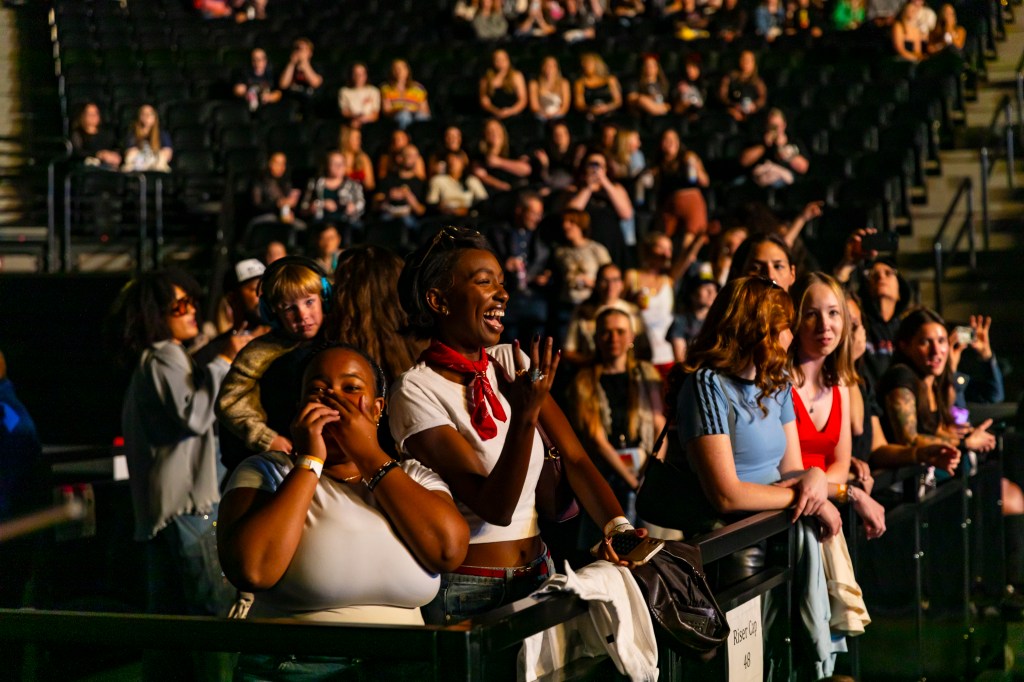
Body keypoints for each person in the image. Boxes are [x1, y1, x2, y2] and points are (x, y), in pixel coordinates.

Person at [390, 226, 639, 625]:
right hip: (471, 591)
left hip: (541, 573)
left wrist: (620, 530)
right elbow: (496, 508)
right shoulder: (415, 390)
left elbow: (575, 458)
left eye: (502, 283)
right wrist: (525, 417)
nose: (502, 295)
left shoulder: (511, 361)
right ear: (439, 301)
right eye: (484, 282)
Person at [218, 344, 469, 678]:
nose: (333, 399)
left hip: (403, 666)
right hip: (295, 666)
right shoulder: (267, 471)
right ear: (300, 407)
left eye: (351, 388)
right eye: (318, 390)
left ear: (378, 409)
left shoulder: (414, 476)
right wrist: (310, 461)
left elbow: (448, 551)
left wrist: (368, 454)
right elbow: (252, 571)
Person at [108, 270, 251, 620]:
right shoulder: (165, 356)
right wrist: (224, 363)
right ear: (156, 313)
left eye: (192, 303)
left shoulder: (151, 360)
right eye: (181, 305)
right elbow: (195, 416)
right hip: (189, 510)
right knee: (214, 615)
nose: (192, 311)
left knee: (168, 622)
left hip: (164, 514)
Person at [788, 273, 887, 540]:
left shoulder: (840, 383)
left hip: (823, 511)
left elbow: (841, 465)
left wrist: (829, 490)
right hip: (786, 516)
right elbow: (786, 474)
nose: (825, 325)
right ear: (795, 320)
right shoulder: (778, 381)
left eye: (833, 313)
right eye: (811, 314)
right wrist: (850, 493)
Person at [216, 258, 332, 459]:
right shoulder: (259, 352)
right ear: (272, 312)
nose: (302, 315)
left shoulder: (340, 338)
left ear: (325, 298)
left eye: (309, 302)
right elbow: (229, 401)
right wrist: (266, 438)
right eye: (289, 308)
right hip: (284, 457)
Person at [844, 292, 961, 474]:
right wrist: (964, 443)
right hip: (897, 480)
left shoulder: (932, 380)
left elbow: (938, 429)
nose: (936, 350)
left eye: (941, 341)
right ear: (905, 345)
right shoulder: (901, 377)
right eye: (925, 342)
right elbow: (908, 440)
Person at [570, 308, 666, 526]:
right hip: (607, 470)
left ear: (631, 336)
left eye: (620, 331)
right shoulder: (584, 381)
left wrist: (651, 474)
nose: (614, 338)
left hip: (645, 464)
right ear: (597, 338)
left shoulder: (646, 373)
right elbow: (596, 438)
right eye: (607, 332)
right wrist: (633, 481)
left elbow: (659, 425)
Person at [487, 191, 552, 344]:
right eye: (533, 213)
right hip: (509, 296)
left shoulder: (542, 236)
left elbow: (548, 263)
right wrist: (504, 266)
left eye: (540, 214)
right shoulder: (499, 233)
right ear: (519, 210)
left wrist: (546, 276)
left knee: (536, 344)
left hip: (535, 297)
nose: (538, 219)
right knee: (509, 344)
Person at [563, 262, 646, 365]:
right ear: (596, 284)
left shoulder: (633, 311)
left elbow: (643, 348)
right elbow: (568, 351)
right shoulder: (583, 311)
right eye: (605, 280)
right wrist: (592, 363)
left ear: (622, 284)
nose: (610, 285)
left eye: (615, 280)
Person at [624, 232, 680, 378]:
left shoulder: (668, 279)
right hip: (640, 351)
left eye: (669, 249)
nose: (667, 254)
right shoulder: (632, 276)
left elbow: (685, 260)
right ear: (647, 249)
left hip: (667, 353)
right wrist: (632, 301)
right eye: (662, 248)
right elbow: (616, 305)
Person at [564, 151, 632, 267]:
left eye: (600, 165)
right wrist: (588, 188)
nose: (596, 169)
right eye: (592, 164)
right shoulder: (576, 190)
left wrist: (605, 182)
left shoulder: (615, 188)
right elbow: (571, 213)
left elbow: (626, 214)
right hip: (588, 245)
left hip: (612, 242)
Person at [300, 150, 365, 245]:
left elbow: (361, 204)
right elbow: (304, 207)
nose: (339, 167)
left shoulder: (353, 184)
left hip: (345, 223)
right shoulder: (315, 183)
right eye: (335, 164)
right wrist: (321, 204)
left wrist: (353, 207)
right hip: (321, 222)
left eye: (341, 164)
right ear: (327, 165)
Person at [739, 108, 809, 188]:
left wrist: (783, 146)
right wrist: (764, 145)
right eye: (773, 127)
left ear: (784, 125)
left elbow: (803, 168)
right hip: (760, 179)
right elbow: (744, 162)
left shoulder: (793, 141)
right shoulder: (758, 140)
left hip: (786, 182)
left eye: (779, 126)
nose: (776, 130)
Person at [668, 262, 718, 363]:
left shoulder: (718, 320)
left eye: (714, 288)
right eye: (705, 287)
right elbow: (681, 360)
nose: (711, 292)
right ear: (692, 294)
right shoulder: (680, 322)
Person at [472, 118, 532, 194]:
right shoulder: (479, 153)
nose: (494, 133)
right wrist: (501, 185)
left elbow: (525, 169)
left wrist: (499, 162)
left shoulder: (514, 147)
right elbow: (480, 173)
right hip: (495, 192)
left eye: (496, 129)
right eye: (490, 130)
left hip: (518, 187)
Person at [426, 152, 489, 217]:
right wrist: (443, 209)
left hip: (467, 217)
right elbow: (431, 203)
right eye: (449, 160)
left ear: (463, 163)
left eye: (456, 160)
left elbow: (483, 200)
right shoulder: (438, 180)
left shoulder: (471, 180)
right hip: (445, 217)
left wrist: (467, 210)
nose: (452, 163)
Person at [380, 59, 431, 130]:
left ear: (407, 70)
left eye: (402, 68)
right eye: (396, 69)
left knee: (421, 117)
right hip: (397, 116)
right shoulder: (386, 88)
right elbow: (386, 111)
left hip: (415, 114)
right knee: (404, 115)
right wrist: (401, 110)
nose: (399, 71)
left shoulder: (418, 88)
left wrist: (412, 110)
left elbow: (425, 110)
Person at [718, 50, 767, 122]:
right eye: (744, 59)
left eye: (749, 60)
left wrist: (755, 106)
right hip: (731, 114)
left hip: (752, 115)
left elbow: (763, 98)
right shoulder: (729, 78)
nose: (746, 63)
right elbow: (722, 97)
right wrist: (732, 107)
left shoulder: (758, 82)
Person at [121, 104, 173, 173]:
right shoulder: (132, 134)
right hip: (137, 165)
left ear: (155, 117)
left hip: (156, 165)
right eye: (144, 114)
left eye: (150, 114)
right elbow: (129, 155)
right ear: (139, 116)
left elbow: (168, 154)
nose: (147, 116)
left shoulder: (162, 134)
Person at [479, 49, 528, 120]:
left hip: (514, 114)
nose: (500, 62)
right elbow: (484, 100)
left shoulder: (516, 76)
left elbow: (522, 99)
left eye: (503, 59)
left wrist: (510, 111)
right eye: (497, 59)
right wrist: (496, 111)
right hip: (494, 115)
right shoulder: (486, 79)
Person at [70, 102, 121, 170]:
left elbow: (115, 147)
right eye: (90, 114)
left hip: (108, 165)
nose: (93, 116)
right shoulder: (78, 134)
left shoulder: (107, 133)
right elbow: (77, 153)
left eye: (96, 113)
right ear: (83, 116)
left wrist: (115, 155)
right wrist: (98, 154)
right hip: (88, 167)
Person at [573, 53, 622, 120]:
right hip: (590, 114)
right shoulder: (579, 83)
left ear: (597, 64)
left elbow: (618, 101)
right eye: (583, 64)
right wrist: (591, 109)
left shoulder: (610, 79)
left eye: (588, 63)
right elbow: (579, 105)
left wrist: (606, 107)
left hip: (610, 113)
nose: (585, 66)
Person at [338, 62, 381, 128]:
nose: (359, 77)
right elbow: (345, 112)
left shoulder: (373, 91)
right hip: (351, 122)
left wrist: (362, 119)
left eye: (362, 74)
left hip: (370, 124)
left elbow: (375, 114)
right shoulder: (344, 91)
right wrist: (357, 117)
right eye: (355, 74)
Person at [529, 56, 572, 121]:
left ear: (557, 68)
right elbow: (534, 106)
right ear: (542, 67)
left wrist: (555, 115)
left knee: (559, 124)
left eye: (552, 66)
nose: (549, 68)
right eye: (547, 65)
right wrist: (545, 114)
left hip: (558, 115)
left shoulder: (564, 83)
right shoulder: (534, 84)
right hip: (541, 115)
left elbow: (565, 106)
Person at [338, 126, 376, 192]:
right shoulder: (338, 158)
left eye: (360, 139)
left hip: (360, 194)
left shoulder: (363, 158)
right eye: (356, 139)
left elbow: (370, 185)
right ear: (346, 139)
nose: (359, 142)